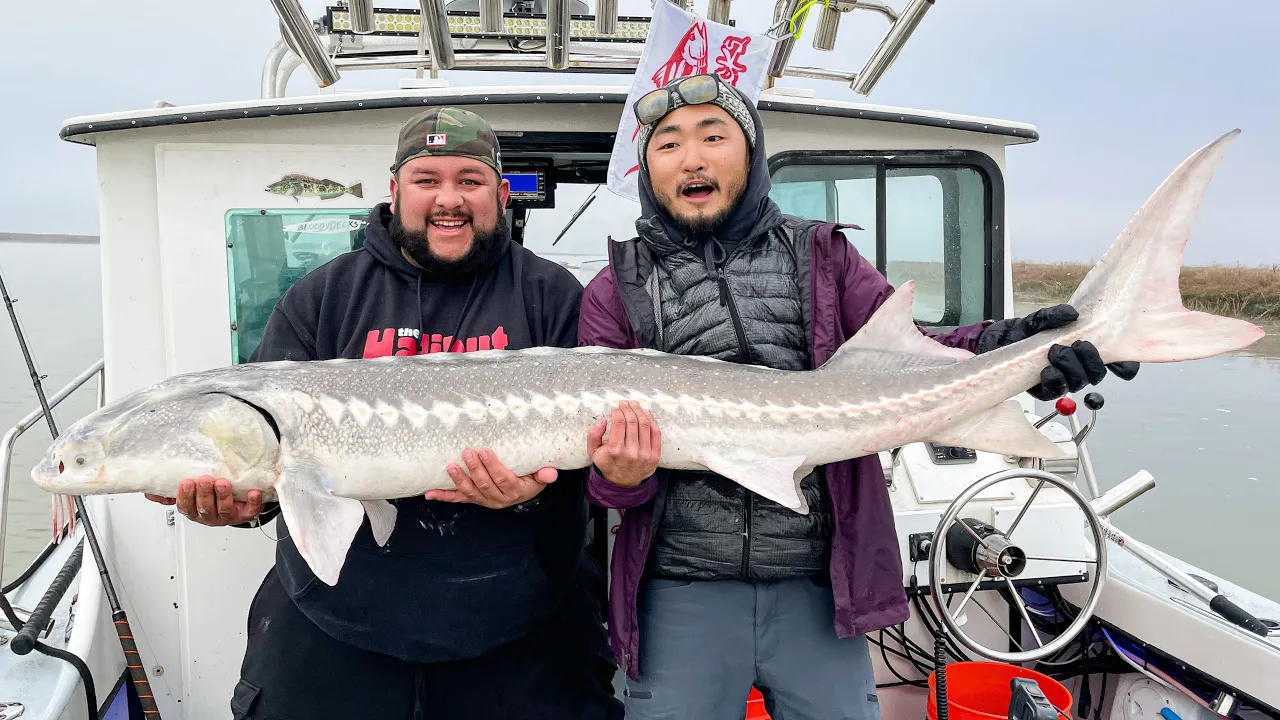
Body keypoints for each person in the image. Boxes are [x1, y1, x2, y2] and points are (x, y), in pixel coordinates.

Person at [578, 73, 1138, 720]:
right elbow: (609, 483)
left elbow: (918, 352)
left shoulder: (823, 255)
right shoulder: (614, 288)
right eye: (668, 144)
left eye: (713, 135)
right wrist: (619, 476)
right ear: (648, 168)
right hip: (681, 587)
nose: (693, 157)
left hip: (820, 585)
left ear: (751, 152)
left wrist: (1025, 348)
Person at [144, 107, 623, 719]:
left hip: (518, 614)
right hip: (338, 614)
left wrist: (529, 493)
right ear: (395, 192)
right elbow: (269, 455)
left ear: (501, 195)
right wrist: (244, 506)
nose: (448, 199)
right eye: (426, 180)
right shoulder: (322, 296)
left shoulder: (553, 294)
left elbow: (596, 456)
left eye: (469, 181)